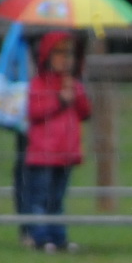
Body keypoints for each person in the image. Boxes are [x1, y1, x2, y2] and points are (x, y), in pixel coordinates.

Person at [23, 32, 91, 251]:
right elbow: (35, 112)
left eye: (69, 54)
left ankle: (58, 237)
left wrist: (77, 94)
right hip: (42, 154)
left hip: (65, 154)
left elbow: (85, 112)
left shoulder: (73, 85)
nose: (65, 59)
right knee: (40, 199)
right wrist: (59, 100)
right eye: (59, 53)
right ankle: (40, 238)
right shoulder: (38, 85)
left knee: (58, 200)